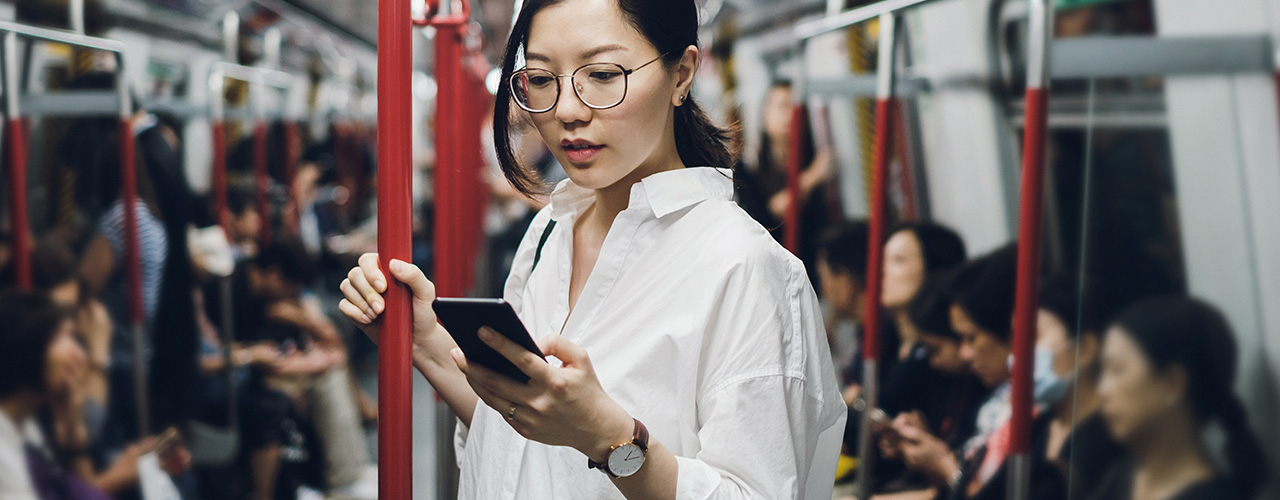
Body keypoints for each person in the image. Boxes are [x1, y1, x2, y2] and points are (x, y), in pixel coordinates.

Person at [339, 0, 845, 498]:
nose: (566, 111)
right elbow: (524, 443)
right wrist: (425, 340)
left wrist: (609, 440)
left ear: (682, 75)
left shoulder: (745, 268)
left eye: (602, 74)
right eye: (540, 80)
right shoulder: (548, 233)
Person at [1090, 297, 1269, 500]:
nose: (1101, 391)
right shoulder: (1121, 479)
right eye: (1102, 372)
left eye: (1117, 369)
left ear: (1172, 383)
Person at [0, 290, 109, 500]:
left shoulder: (25, 424)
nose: (79, 354)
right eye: (63, 338)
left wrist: (74, 436)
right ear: (28, 348)